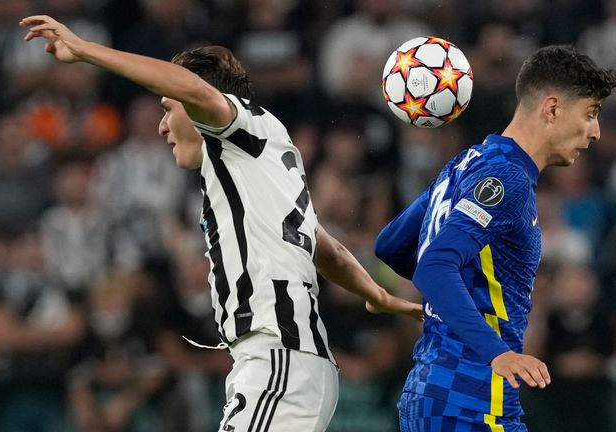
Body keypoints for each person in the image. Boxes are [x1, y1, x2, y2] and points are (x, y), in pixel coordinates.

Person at [21, 14, 422, 432]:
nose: (161, 126)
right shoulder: (260, 153)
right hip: (283, 362)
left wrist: (85, 51)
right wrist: (377, 293)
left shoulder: (240, 126)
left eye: (167, 108)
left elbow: (192, 87)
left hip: (276, 359)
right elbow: (322, 246)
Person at [375, 45, 616, 431]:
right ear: (552, 108)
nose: (595, 132)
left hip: (432, 391)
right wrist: (497, 353)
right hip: (471, 399)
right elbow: (434, 267)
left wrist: (451, 303)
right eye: (590, 113)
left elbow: (390, 245)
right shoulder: (509, 180)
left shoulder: (467, 162)